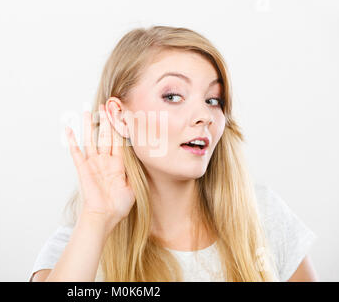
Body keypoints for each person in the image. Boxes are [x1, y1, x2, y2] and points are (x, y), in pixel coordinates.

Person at [31, 25, 318, 282]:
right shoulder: (79, 246)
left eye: (213, 100)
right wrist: (97, 217)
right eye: (173, 96)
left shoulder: (264, 215)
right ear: (120, 117)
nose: (204, 115)